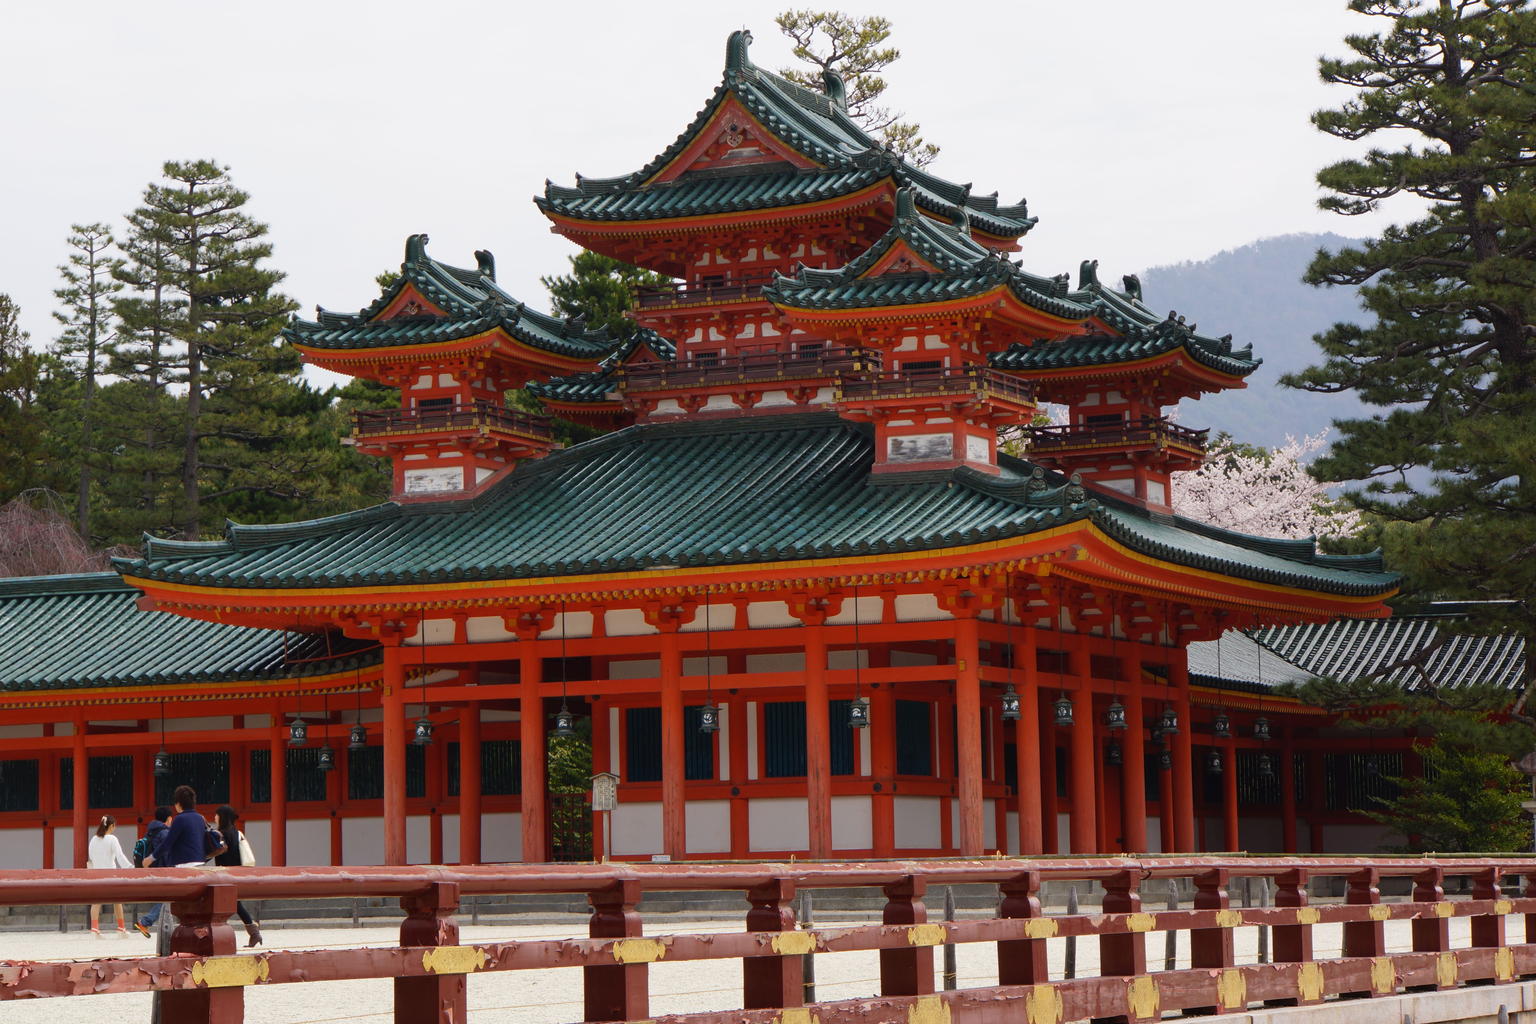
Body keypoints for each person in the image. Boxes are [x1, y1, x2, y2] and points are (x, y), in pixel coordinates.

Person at [213, 805, 262, 947]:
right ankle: (254, 933)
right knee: (235, 904)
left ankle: (221, 935)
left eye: (217, 815)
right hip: (237, 872)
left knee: (229, 904)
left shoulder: (221, 834)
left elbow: (216, 852)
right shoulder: (235, 832)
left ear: (222, 817)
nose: (214, 818)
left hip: (224, 873)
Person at [157, 785, 226, 869]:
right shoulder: (200, 818)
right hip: (200, 861)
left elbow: (168, 842)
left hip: (183, 863)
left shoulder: (180, 819)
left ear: (178, 804)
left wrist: (152, 857)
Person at [85, 816, 132, 937]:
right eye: (114, 826)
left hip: (97, 873)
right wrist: (129, 868)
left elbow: (91, 857)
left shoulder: (93, 840)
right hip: (111, 874)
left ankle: (94, 928)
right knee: (117, 901)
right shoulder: (112, 839)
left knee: (96, 901)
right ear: (111, 826)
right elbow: (119, 856)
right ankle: (121, 927)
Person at [132, 805, 174, 938]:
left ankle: (146, 922)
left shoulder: (151, 830)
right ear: (168, 819)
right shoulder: (165, 832)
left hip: (153, 870)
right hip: (164, 870)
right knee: (167, 898)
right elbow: (166, 853)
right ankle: (145, 921)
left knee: (165, 899)